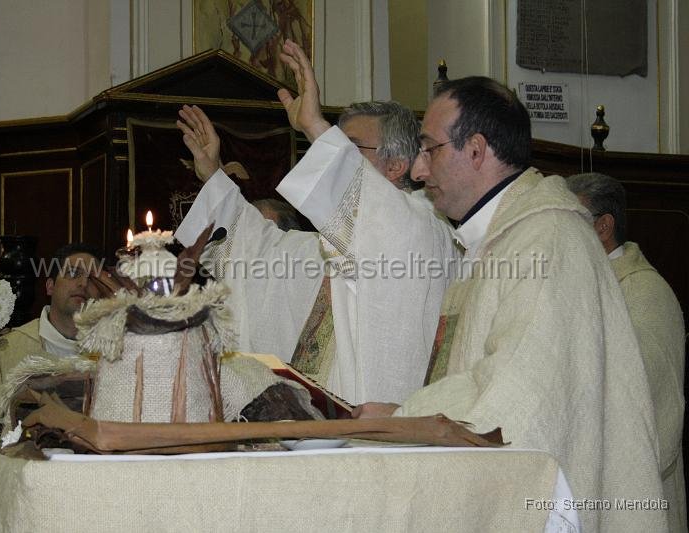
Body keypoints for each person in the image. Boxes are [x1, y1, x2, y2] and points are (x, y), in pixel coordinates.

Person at [272, 39, 663, 530]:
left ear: (476, 150)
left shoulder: (548, 239)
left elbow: (518, 399)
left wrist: (405, 415)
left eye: (430, 150)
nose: (418, 170)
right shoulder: (489, 243)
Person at [175, 99, 455, 405]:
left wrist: (313, 125)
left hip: (384, 431)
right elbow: (255, 251)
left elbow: (387, 230)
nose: (328, 157)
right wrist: (213, 175)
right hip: (324, 428)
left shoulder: (421, 230)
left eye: (349, 149)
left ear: (396, 165)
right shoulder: (328, 247)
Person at [566, 172, 686, 532]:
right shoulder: (579, 282)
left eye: (570, 221)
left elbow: (645, 396)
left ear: (603, 226)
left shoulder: (644, 292)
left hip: (630, 493)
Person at [0, 243, 103, 409]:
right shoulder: (3, 351)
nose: (83, 283)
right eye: (73, 273)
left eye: (93, 279)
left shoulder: (116, 354)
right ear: (50, 287)